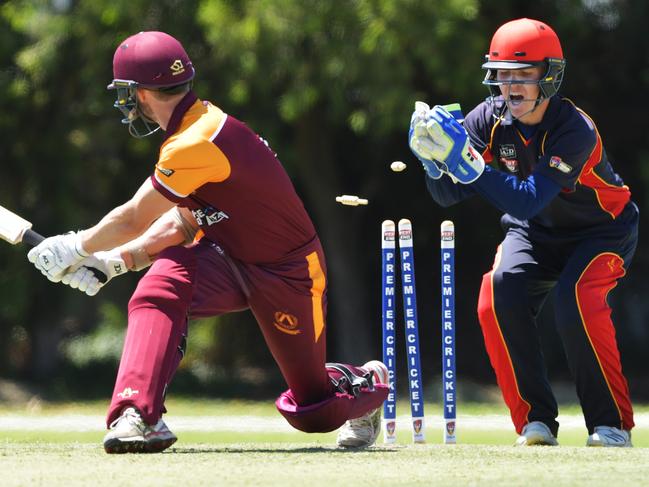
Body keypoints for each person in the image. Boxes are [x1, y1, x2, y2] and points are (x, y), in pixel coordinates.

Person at [27, 31, 388, 453]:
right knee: (157, 292)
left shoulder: (195, 140)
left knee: (313, 412)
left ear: (141, 92)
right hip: (224, 255)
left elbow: (133, 216)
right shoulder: (195, 126)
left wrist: (77, 247)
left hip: (287, 270)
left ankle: (362, 383)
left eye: (126, 92)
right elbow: (184, 220)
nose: (124, 102)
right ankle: (137, 415)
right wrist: (116, 262)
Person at [408, 18, 637, 447]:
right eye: (502, 75)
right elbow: (445, 196)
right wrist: (432, 159)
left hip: (600, 232)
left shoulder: (574, 129)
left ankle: (610, 424)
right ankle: (536, 422)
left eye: (523, 75)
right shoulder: (490, 117)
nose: (510, 87)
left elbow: (528, 198)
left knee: (577, 299)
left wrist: (468, 165)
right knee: (496, 294)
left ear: (548, 75)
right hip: (534, 233)